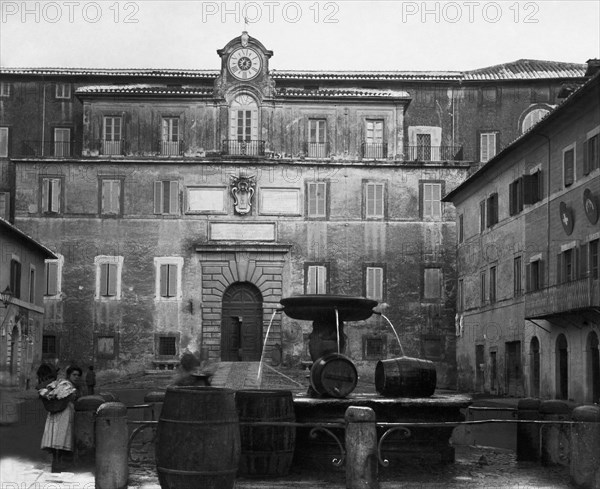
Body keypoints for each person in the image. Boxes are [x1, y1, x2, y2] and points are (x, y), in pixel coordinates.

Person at [39, 366, 82, 472]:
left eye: (78, 375)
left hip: (62, 411)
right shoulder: (65, 385)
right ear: (69, 375)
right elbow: (57, 396)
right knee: (61, 435)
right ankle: (58, 463)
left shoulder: (67, 385)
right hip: (63, 412)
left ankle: (58, 463)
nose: (76, 377)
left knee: (58, 436)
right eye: (74, 375)